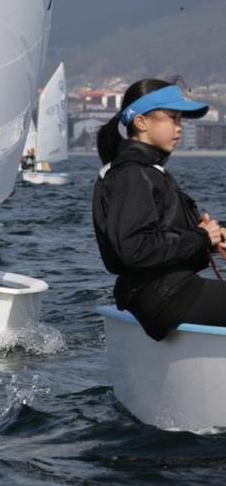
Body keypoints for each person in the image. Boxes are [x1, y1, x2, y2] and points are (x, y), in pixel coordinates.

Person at [92, 78, 226, 341]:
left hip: (169, 293)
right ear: (141, 122)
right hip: (166, 297)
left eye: (180, 120)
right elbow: (135, 249)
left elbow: (162, 236)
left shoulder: (146, 172)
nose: (179, 128)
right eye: (172, 118)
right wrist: (200, 238)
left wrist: (212, 239)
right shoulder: (132, 175)